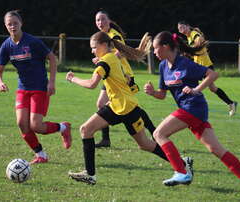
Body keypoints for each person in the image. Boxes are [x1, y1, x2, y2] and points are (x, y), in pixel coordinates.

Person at [144, 31, 240, 200]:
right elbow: (162, 95)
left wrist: (196, 90)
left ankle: (181, 171)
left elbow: (213, 75)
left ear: (165, 47)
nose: (154, 52)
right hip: (191, 111)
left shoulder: (185, 63)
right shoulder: (164, 66)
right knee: (216, 149)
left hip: (194, 108)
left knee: (158, 134)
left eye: (155, 49)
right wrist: (152, 93)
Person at [66, 31, 193, 185]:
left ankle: (90, 174)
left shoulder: (105, 62)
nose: (92, 50)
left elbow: (92, 84)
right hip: (124, 106)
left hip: (123, 107)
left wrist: (73, 78)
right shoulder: (111, 56)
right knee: (144, 144)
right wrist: (100, 60)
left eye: (94, 47)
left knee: (86, 130)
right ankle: (181, 162)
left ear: (104, 45)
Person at [0, 10, 72, 164]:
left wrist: (51, 82)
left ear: (21, 23)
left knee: (36, 125)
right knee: (22, 124)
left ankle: (63, 128)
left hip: (40, 88)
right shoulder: (6, 46)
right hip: (22, 88)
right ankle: (41, 155)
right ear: (5, 25)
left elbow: (52, 58)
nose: (13, 26)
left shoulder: (32, 42)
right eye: (9, 24)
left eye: (15, 23)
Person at [93, 10, 156, 148]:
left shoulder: (113, 35)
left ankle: (154, 132)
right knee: (103, 104)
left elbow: (122, 51)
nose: (100, 22)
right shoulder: (103, 36)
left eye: (103, 19)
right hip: (113, 75)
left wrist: (104, 60)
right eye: (98, 20)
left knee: (132, 108)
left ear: (109, 21)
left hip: (123, 75)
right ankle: (106, 140)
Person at [177, 21, 237, 116]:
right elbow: (195, 52)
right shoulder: (188, 37)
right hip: (199, 67)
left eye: (183, 27)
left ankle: (190, 108)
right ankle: (231, 103)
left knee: (193, 85)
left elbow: (199, 38)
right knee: (212, 88)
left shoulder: (193, 34)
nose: (181, 30)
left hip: (205, 67)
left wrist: (196, 44)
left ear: (188, 26)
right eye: (179, 29)